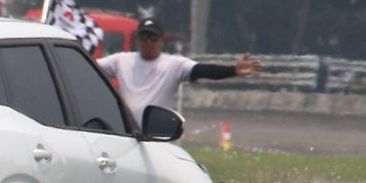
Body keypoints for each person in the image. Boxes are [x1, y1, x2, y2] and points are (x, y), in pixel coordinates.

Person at [97, 16, 263, 119]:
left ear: (162, 41)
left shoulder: (174, 64)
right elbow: (88, 68)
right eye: (144, 37)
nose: (148, 42)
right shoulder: (121, 60)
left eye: (153, 38)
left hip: (157, 135)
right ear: (136, 40)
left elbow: (202, 70)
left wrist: (233, 70)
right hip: (126, 132)